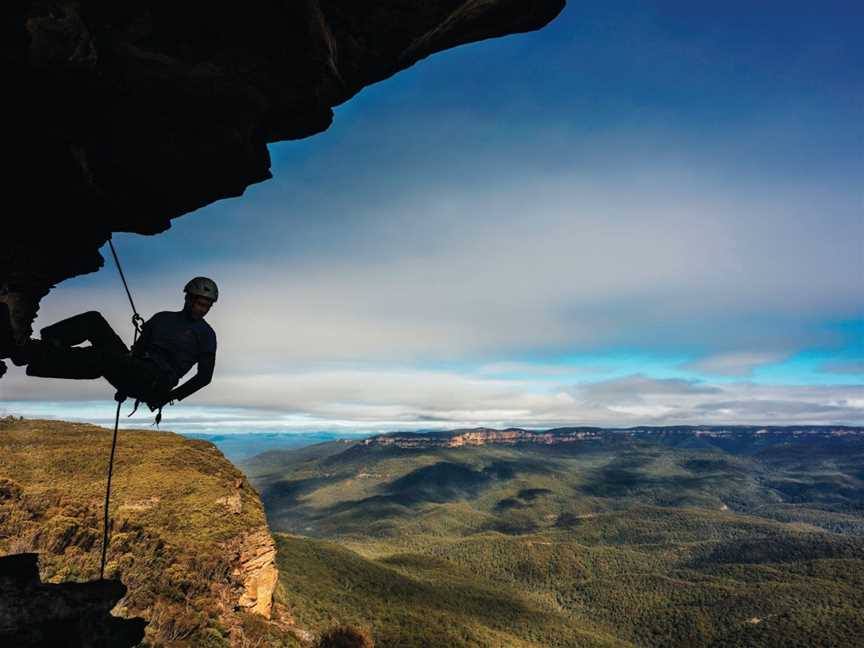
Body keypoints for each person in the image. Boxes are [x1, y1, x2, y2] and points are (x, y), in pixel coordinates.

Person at [0, 277, 218, 413]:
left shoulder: (207, 335)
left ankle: (31, 355)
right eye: (200, 303)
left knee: (103, 356)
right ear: (188, 299)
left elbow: (204, 377)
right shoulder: (162, 318)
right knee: (93, 321)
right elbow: (139, 348)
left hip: (157, 382)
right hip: (136, 367)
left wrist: (169, 397)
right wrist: (125, 374)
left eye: (207, 306)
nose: (202, 309)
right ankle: (42, 345)